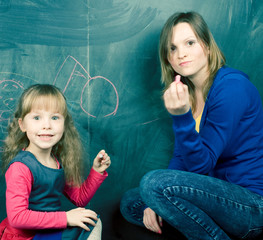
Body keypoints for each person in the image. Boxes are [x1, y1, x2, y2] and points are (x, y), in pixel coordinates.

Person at [120, 11, 263, 240]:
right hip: (214, 197)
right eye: (172, 48)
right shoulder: (189, 93)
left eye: (189, 42)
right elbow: (181, 158)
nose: (181, 54)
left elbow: (201, 165)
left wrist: (181, 116)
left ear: (206, 46)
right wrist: (154, 202)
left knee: (153, 184)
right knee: (132, 201)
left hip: (250, 207)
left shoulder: (231, 88)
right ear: (167, 58)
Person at [0, 84, 111, 240]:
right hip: (25, 236)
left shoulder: (58, 162)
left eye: (55, 117)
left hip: (48, 231)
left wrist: (96, 171)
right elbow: (17, 217)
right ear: (22, 125)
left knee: (92, 221)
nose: (47, 125)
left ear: (64, 124)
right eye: (37, 118)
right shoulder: (21, 167)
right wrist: (65, 218)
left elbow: (80, 199)